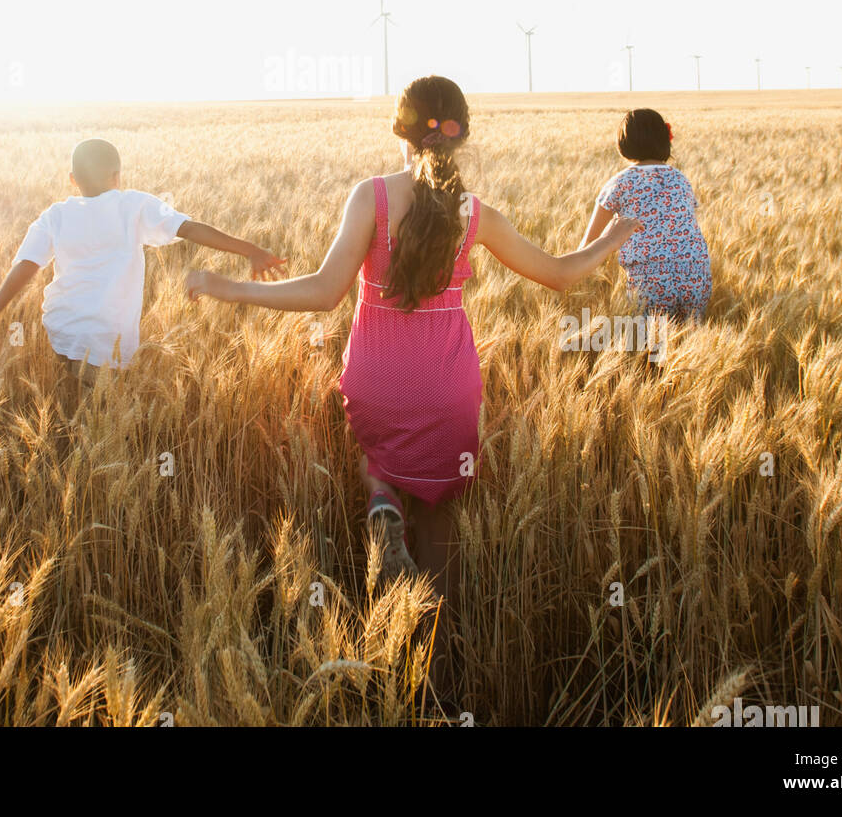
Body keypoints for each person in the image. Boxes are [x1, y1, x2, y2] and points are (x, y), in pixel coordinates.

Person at [185, 76, 640, 596]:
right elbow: (559, 274)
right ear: (461, 135)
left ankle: (382, 499)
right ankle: (435, 652)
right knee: (438, 520)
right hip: (447, 387)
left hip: (377, 378)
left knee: (377, 458)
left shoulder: (371, 197)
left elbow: (323, 291)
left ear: (399, 130)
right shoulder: (475, 214)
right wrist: (612, 236)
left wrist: (231, 287)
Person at [0, 137, 284, 381]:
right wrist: (250, 250)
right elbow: (191, 229)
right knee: (103, 420)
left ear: (72, 179)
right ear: (117, 176)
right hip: (108, 338)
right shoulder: (134, 205)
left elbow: (27, 264)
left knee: (70, 404)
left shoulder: (56, 214)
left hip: (61, 329)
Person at [578, 107, 711, 317]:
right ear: (665, 140)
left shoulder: (618, 184)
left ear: (624, 144)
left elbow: (586, 246)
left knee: (650, 344)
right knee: (688, 340)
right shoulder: (681, 180)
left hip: (650, 282)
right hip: (696, 275)